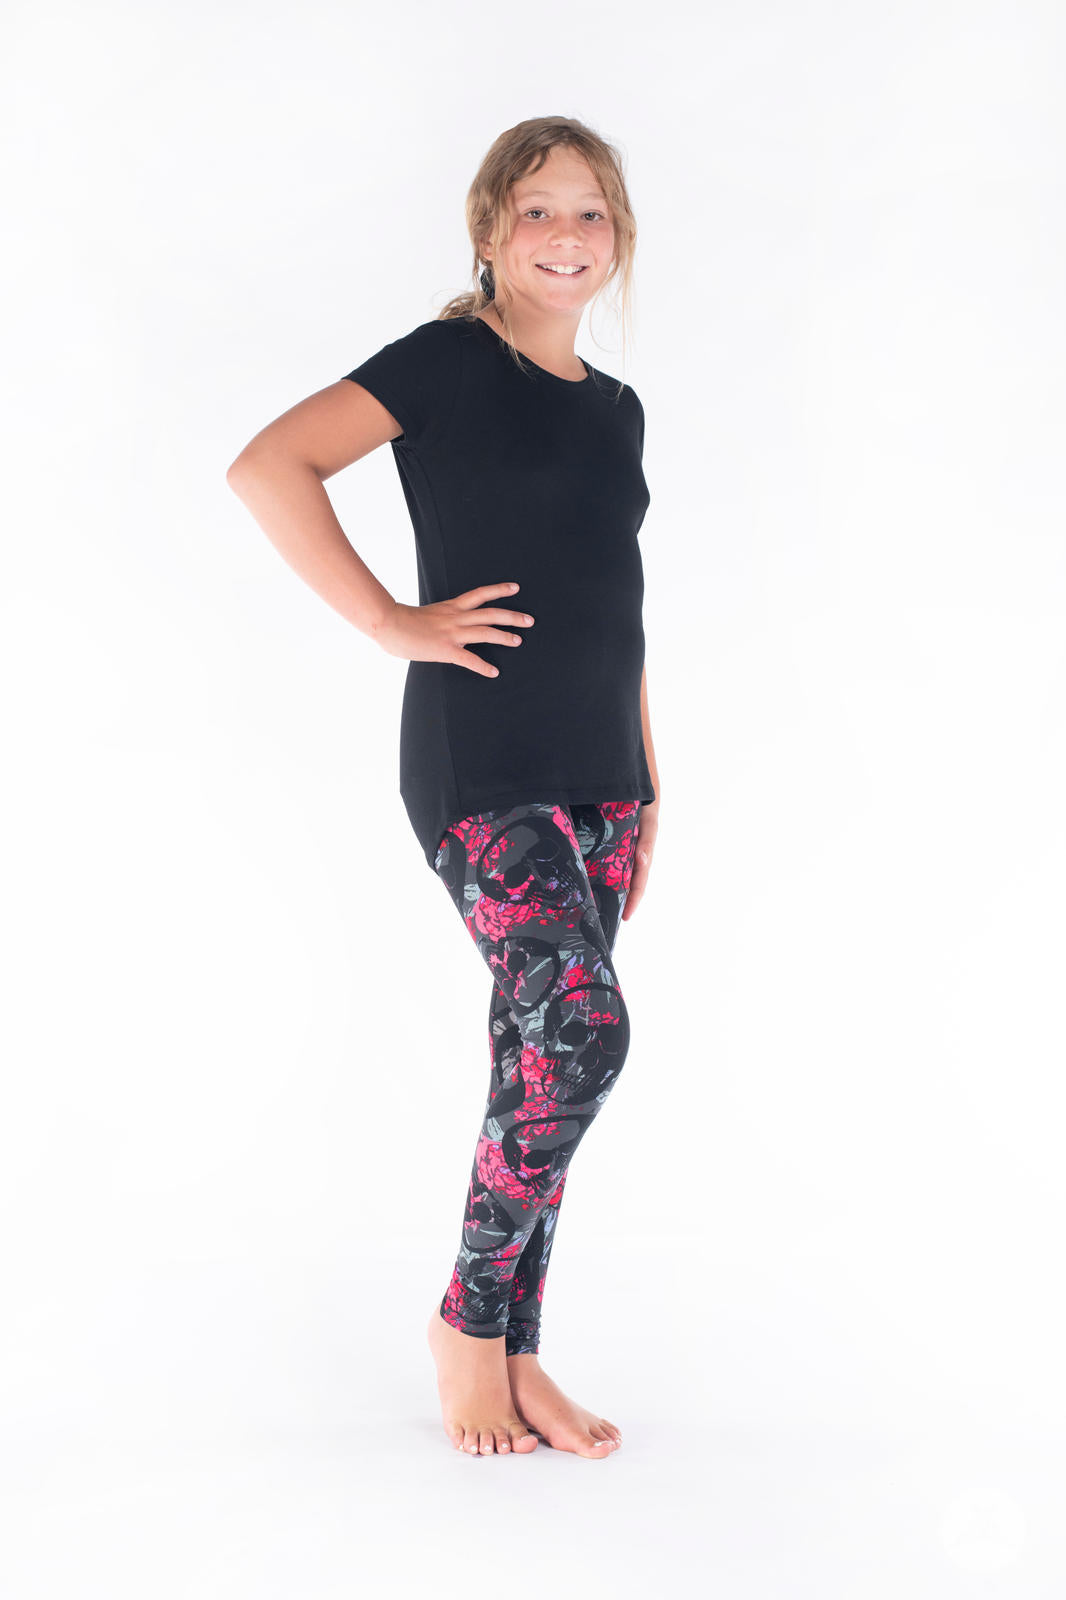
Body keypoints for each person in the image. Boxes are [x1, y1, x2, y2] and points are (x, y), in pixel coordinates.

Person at [226, 116, 661, 1460]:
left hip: (604, 774)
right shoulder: (448, 360)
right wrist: (388, 622)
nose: (565, 235)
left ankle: (518, 1348)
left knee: (533, 1058)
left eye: (589, 212)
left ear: (618, 237)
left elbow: (619, 604)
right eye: (537, 210)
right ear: (488, 231)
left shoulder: (617, 410)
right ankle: (466, 1326)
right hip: (484, 760)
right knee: (583, 1035)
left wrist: (649, 782)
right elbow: (269, 464)